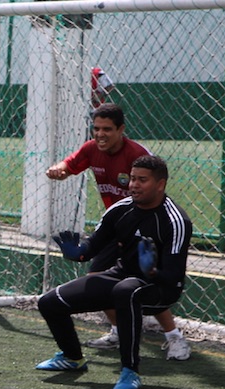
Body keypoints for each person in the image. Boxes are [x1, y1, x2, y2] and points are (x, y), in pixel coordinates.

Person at [45, 103, 191, 360]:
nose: (100, 134)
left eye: (107, 130)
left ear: (121, 130)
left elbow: (155, 183)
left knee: (142, 280)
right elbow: (70, 164)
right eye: (96, 129)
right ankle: (118, 332)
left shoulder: (136, 155)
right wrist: (59, 170)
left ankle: (174, 337)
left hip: (141, 226)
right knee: (99, 280)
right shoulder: (92, 149)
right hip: (116, 226)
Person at [36, 155, 193, 389]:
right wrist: (76, 253)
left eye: (142, 180)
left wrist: (151, 270)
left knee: (126, 291)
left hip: (161, 288)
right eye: (132, 179)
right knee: (49, 302)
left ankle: (130, 371)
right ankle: (72, 358)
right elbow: (92, 248)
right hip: (123, 277)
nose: (133, 185)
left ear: (160, 184)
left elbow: (174, 277)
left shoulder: (175, 220)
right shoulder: (120, 209)